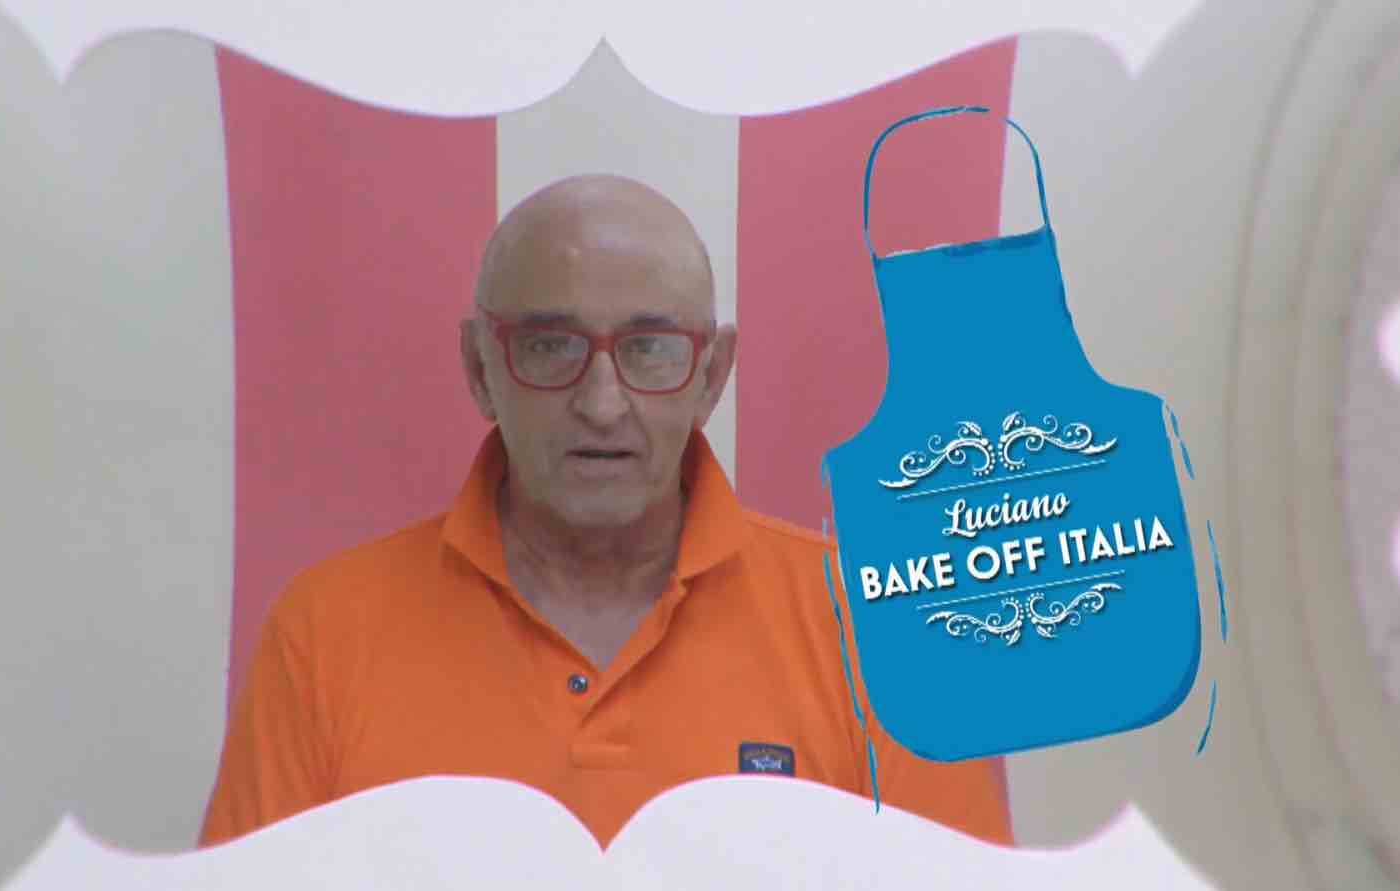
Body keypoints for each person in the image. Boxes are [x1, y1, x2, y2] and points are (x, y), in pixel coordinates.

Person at [198, 174, 1014, 849]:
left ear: (712, 375)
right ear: (480, 369)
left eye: (649, 349)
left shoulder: (871, 632)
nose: (601, 402)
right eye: (550, 346)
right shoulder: (324, 632)